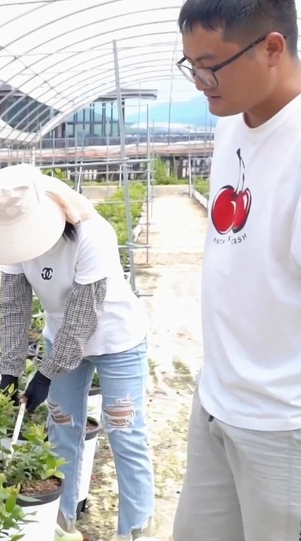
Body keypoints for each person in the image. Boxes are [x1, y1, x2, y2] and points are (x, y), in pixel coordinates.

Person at [172, 1, 301, 540]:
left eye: (211, 64)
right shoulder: (234, 120)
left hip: (284, 425)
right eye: (191, 66)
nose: (202, 82)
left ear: (272, 48)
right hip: (219, 399)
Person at [0, 164, 156, 541]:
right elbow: (14, 306)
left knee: (125, 432)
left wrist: (45, 374)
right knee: (62, 427)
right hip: (60, 337)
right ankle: (62, 521)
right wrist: (10, 373)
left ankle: (135, 530)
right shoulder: (16, 242)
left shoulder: (92, 235)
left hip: (116, 340)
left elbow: (83, 316)